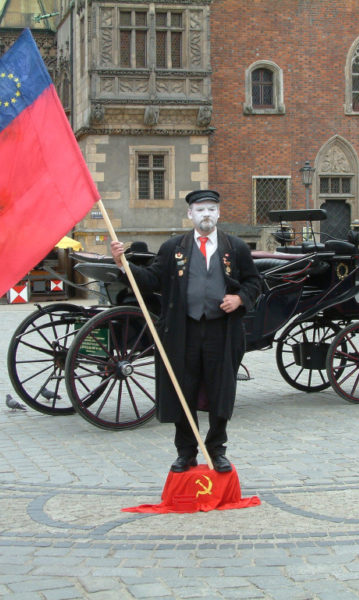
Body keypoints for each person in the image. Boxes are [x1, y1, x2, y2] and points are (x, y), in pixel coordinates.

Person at [111, 190, 261, 473]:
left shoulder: (236, 247)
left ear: (218, 213)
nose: (206, 214)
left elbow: (254, 281)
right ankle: (186, 452)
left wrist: (240, 298)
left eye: (211, 209)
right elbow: (152, 279)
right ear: (190, 214)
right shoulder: (173, 248)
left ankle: (217, 449)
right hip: (183, 331)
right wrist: (124, 265)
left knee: (220, 390)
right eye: (200, 209)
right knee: (183, 390)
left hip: (221, 330)